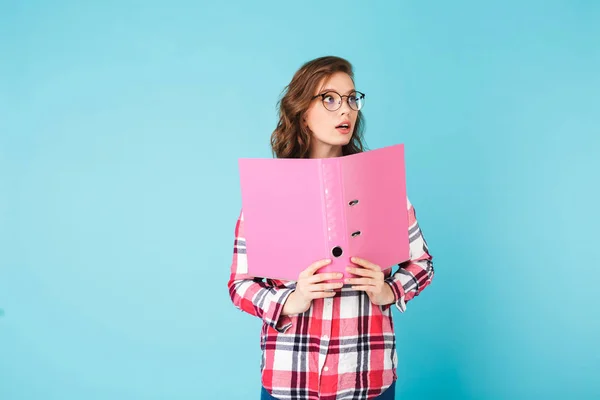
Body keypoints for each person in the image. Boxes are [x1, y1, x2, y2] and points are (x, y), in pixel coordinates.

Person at [227, 56, 435, 400]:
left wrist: (390, 291)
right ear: (302, 112)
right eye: (330, 98)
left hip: (368, 376)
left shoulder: (383, 186)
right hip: (291, 378)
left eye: (352, 99)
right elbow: (240, 285)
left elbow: (423, 263)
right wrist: (292, 300)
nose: (346, 111)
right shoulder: (268, 192)